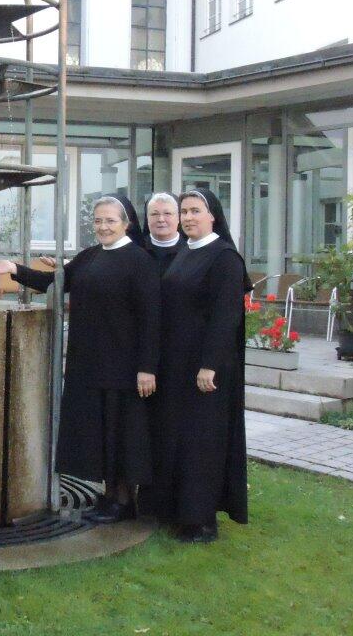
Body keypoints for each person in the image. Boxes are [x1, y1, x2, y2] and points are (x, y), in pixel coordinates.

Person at [0, 194, 160, 522]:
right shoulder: (90, 256)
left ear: (127, 223)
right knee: (98, 431)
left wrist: (147, 367)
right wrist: (14, 269)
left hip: (123, 364)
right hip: (89, 362)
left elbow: (151, 317)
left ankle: (124, 501)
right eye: (98, 221)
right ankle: (108, 497)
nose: (103, 227)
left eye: (110, 221)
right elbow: (55, 281)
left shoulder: (140, 261)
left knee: (120, 431)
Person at [145, 188, 250, 543]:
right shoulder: (186, 252)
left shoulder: (224, 258)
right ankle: (176, 510)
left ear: (213, 216)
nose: (188, 217)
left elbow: (225, 317)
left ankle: (202, 521)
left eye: (195, 211)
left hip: (206, 370)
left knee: (202, 444)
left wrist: (210, 366)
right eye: (184, 211)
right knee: (176, 439)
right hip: (177, 366)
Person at [142, 192, 187, 275]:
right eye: (154, 214)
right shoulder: (137, 250)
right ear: (147, 219)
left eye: (167, 213)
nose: (161, 219)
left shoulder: (191, 251)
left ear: (178, 218)